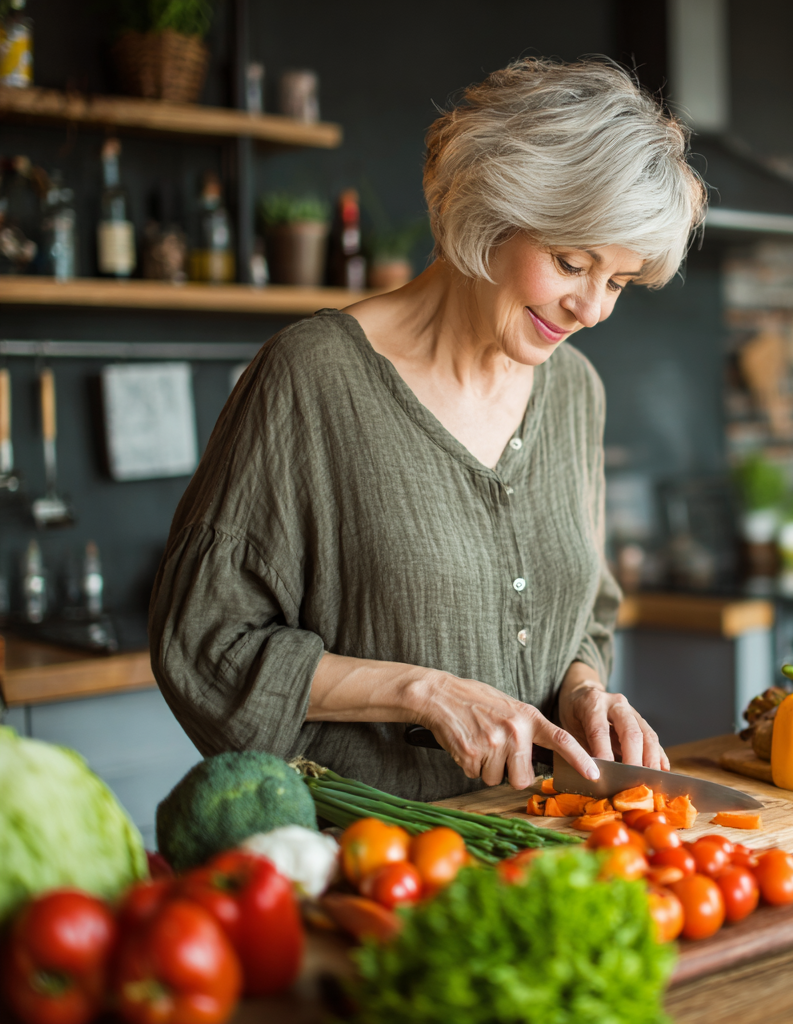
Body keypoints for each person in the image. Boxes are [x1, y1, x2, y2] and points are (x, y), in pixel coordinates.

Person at [149, 57, 706, 801]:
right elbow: (206, 643)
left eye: (618, 283)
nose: (593, 309)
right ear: (492, 208)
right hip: (375, 872)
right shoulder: (312, 379)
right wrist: (424, 692)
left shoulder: (576, 391)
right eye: (572, 263)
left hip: (547, 849)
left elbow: (583, 613)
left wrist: (582, 689)